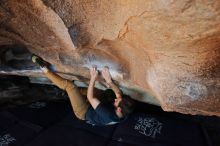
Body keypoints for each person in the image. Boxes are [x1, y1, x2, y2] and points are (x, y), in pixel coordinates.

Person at [32, 54, 135, 126]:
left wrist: (93, 78)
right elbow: (118, 94)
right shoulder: (125, 112)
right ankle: (67, 93)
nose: (116, 99)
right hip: (100, 103)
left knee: (70, 87)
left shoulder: (107, 114)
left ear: (119, 109)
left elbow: (91, 98)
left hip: (84, 111)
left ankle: (44, 68)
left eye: (117, 101)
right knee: (100, 92)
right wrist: (109, 81)